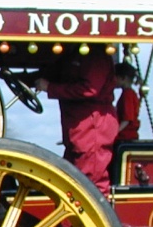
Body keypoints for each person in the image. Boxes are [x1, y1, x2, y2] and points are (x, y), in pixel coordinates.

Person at [34, 45, 119, 196]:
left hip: (92, 125)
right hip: (77, 127)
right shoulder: (73, 54)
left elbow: (90, 89)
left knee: (89, 182)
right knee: (72, 176)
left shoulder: (95, 54)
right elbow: (53, 74)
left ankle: (92, 218)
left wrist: (50, 88)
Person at [114, 62, 141, 143]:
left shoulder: (127, 94)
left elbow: (127, 119)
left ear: (123, 78)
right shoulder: (130, 93)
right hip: (128, 135)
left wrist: (115, 132)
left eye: (115, 77)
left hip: (125, 136)